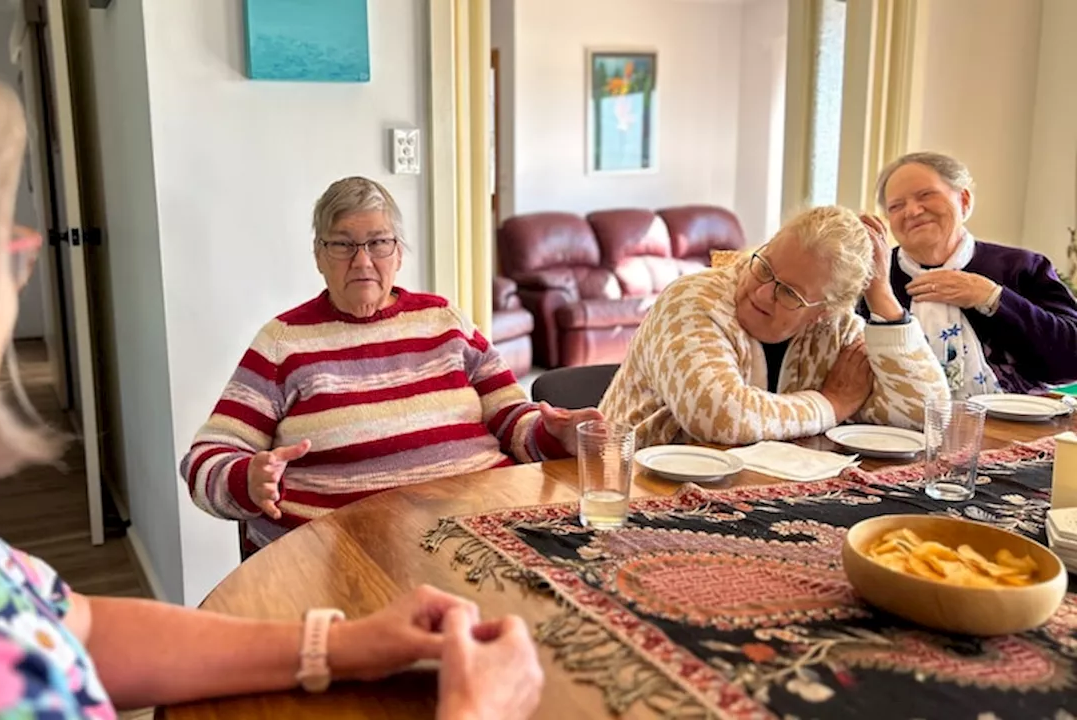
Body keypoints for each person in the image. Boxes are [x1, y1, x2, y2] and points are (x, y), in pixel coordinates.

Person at [0, 35, 541, 720]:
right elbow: (210, 461)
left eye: (379, 243)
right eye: (3, 248)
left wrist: (337, 647)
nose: (15, 277)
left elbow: (73, 623)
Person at [181, 176, 601, 550]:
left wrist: (550, 433)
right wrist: (247, 479)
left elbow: (511, 417)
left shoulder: (444, 321)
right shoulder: (283, 343)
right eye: (343, 244)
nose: (362, 261)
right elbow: (205, 458)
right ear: (318, 256)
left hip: (486, 531)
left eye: (378, 242)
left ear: (398, 253)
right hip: (348, 555)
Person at [599, 206, 949, 447]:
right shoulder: (693, 299)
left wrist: (882, 299)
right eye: (764, 267)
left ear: (823, 312)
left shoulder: (837, 329)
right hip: (634, 492)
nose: (763, 293)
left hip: (755, 500)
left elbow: (926, 415)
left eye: (789, 293)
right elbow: (720, 416)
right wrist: (831, 406)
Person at [873, 151, 1077, 396]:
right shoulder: (875, 277)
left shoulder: (1021, 267)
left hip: (1016, 427)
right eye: (897, 206)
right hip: (896, 427)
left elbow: (1070, 360)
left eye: (926, 195)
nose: (913, 211)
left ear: (964, 200)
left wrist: (992, 298)